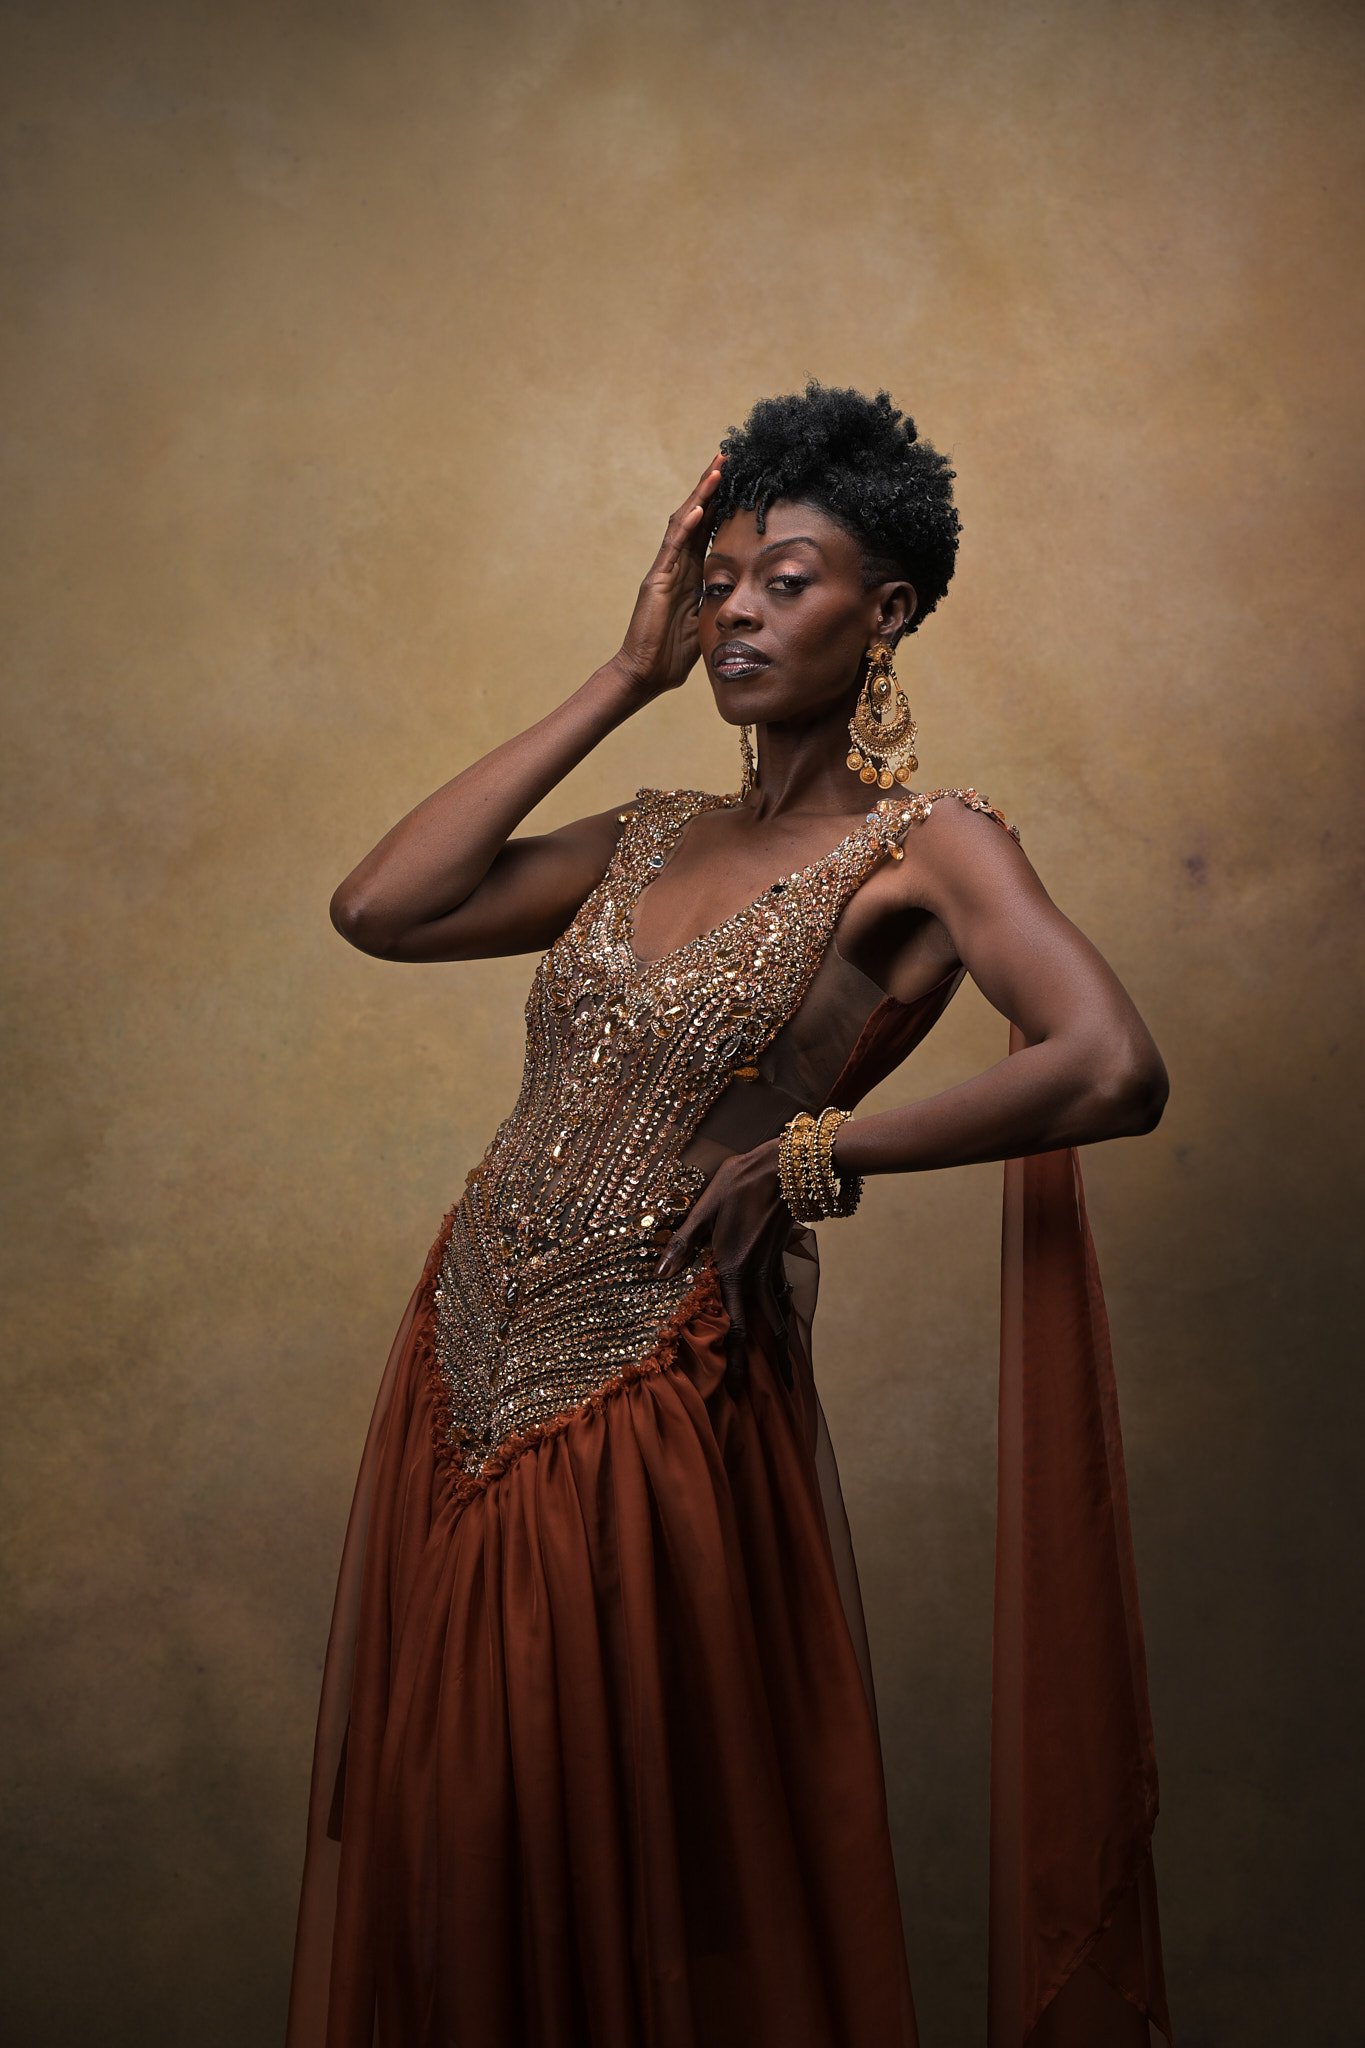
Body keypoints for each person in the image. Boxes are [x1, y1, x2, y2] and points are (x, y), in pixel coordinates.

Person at [286, 380, 1175, 2047]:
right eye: (721, 582)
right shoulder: (645, 834)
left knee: (616, 1848)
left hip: (656, 1386)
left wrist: (823, 1154)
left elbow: (1110, 1066)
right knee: (448, 1848)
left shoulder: (928, 846)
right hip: (464, 1360)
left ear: (885, 610)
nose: (740, 610)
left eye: (789, 577)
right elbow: (378, 909)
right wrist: (627, 677)